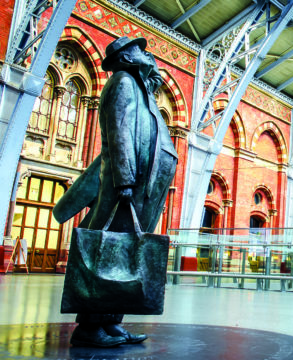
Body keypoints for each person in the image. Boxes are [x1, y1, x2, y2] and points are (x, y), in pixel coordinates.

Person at [53, 37, 178, 347]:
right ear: (127, 57)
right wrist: (123, 178)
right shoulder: (122, 82)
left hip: (142, 187)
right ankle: (90, 327)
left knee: (125, 255)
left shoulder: (140, 88)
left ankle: (111, 323)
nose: (147, 55)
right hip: (127, 184)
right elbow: (119, 132)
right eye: (141, 51)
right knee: (109, 253)